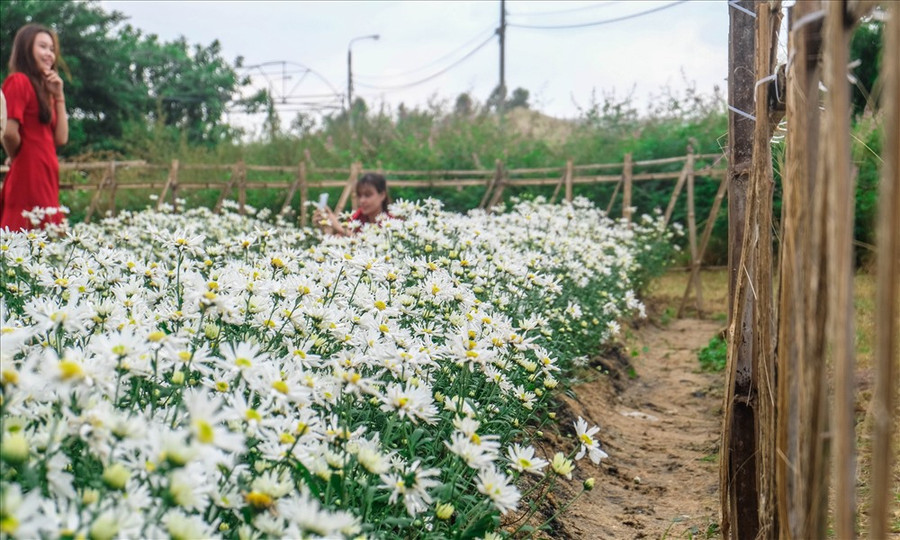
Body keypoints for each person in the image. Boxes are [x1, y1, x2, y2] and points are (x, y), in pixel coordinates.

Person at [0, 24, 69, 231]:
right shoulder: (18, 81)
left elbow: (61, 139)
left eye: (51, 49)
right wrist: (16, 155)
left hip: (46, 172)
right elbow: (8, 131)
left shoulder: (45, 90)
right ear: (26, 49)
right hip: (28, 172)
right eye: (42, 47)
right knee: (27, 232)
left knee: (45, 235)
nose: (49, 54)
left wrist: (58, 95)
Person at [314, 172, 391, 236]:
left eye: (368, 195)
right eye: (359, 195)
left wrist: (339, 227)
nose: (362, 200)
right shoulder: (357, 218)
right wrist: (327, 227)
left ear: (382, 195)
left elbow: (367, 245)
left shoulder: (392, 223)